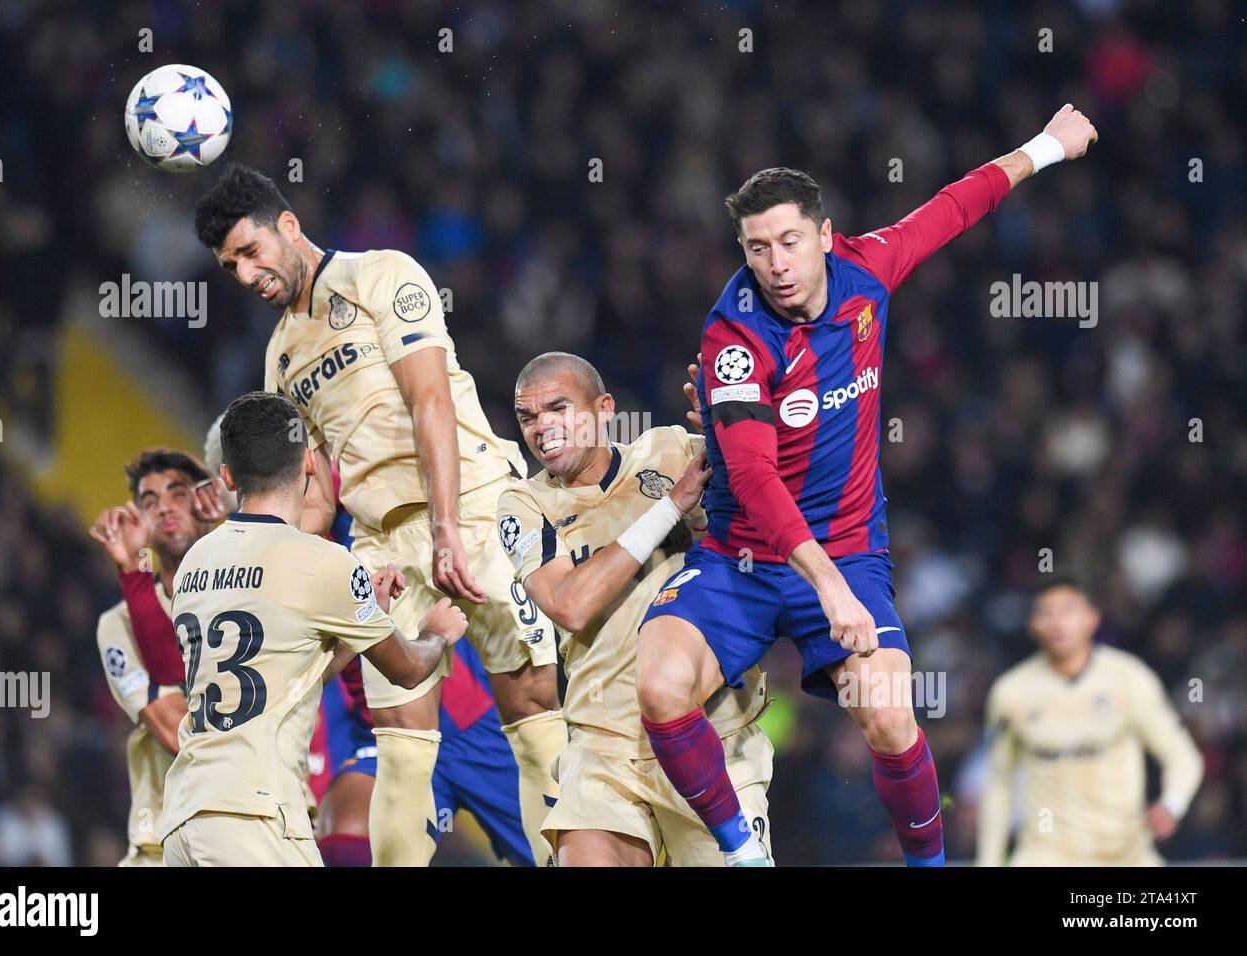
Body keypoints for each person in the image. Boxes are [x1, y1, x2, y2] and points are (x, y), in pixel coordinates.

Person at [637, 104, 1100, 865]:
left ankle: (930, 864)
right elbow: (750, 474)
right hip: (742, 559)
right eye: (757, 249)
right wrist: (824, 586)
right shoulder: (734, 337)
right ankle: (741, 854)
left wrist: (1047, 146)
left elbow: (953, 207)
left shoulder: (865, 268)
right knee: (658, 687)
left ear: (823, 235)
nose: (776, 264)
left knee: (888, 716)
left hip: (848, 548)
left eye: (789, 241)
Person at [194, 166, 563, 865]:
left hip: (476, 506)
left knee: (532, 704)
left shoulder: (381, 275)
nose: (245, 274)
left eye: (250, 251)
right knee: (400, 739)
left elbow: (430, 399)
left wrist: (449, 529)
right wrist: (272, 570)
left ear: (290, 226)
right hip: (379, 547)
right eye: (229, 266)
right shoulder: (280, 359)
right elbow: (318, 494)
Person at [158, 391, 466, 866]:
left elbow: (291, 675)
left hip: (184, 817)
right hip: (255, 817)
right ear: (307, 462)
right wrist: (437, 633)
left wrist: (366, 621)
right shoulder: (322, 562)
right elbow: (407, 670)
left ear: (227, 476)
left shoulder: (194, 564)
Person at [498, 351, 774, 865]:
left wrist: (730, 421)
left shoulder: (669, 451)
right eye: (528, 418)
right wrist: (671, 508)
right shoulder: (524, 505)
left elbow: (770, 474)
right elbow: (570, 605)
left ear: (604, 409)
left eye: (558, 408)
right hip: (605, 750)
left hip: (710, 735)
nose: (543, 428)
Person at [976, 578, 1204, 866]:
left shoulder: (1129, 679)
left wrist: (1172, 804)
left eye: (1068, 610)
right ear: (1032, 624)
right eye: (1047, 612)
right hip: (1046, 854)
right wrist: (988, 862)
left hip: (1126, 854)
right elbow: (999, 782)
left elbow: (1182, 756)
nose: (1057, 622)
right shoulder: (1011, 692)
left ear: (1092, 619)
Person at [89, 449, 217, 865]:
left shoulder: (249, 597)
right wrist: (133, 571)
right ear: (139, 522)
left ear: (204, 502)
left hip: (267, 832)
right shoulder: (118, 625)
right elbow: (176, 731)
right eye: (148, 501)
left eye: (177, 493)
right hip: (164, 844)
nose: (163, 506)